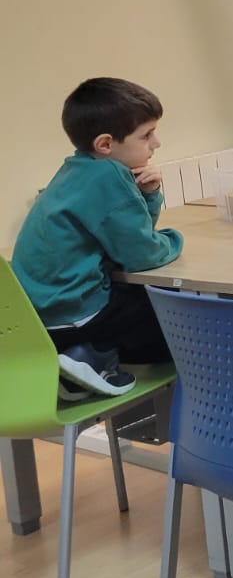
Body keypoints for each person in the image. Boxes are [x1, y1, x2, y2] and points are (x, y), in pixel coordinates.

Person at [12, 77, 183, 400]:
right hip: (76, 315)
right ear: (106, 144)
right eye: (146, 134)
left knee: (139, 296)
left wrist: (148, 195)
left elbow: (124, 237)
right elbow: (142, 254)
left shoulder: (76, 169)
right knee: (179, 321)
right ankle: (93, 355)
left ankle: (84, 358)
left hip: (39, 322)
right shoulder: (108, 174)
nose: (156, 143)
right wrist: (174, 240)